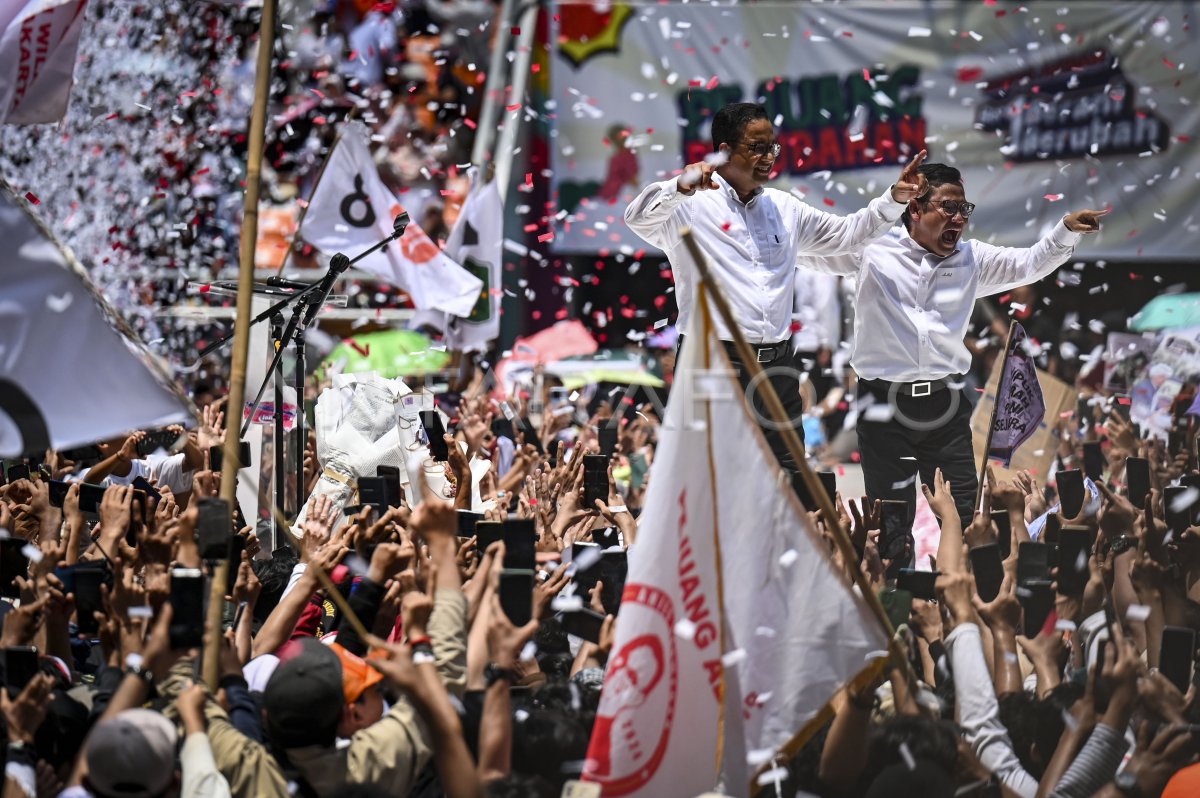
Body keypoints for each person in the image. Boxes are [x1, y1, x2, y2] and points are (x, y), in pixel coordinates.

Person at [623, 101, 928, 476]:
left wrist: (893, 199)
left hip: (778, 365)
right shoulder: (690, 205)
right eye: (757, 147)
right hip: (714, 362)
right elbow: (637, 218)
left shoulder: (785, 208)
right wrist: (678, 187)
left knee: (791, 475)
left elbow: (847, 235)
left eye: (773, 147)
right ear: (724, 152)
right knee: (713, 478)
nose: (769, 157)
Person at [798, 162, 1106, 528]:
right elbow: (806, 252)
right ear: (915, 209)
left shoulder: (973, 259)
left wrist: (1066, 231)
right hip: (882, 407)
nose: (959, 218)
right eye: (948, 207)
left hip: (945, 408)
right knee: (891, 526)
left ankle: (965, 585)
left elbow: (1030, 264)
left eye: (964, 209)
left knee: (965, 522)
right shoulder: (871, 251)